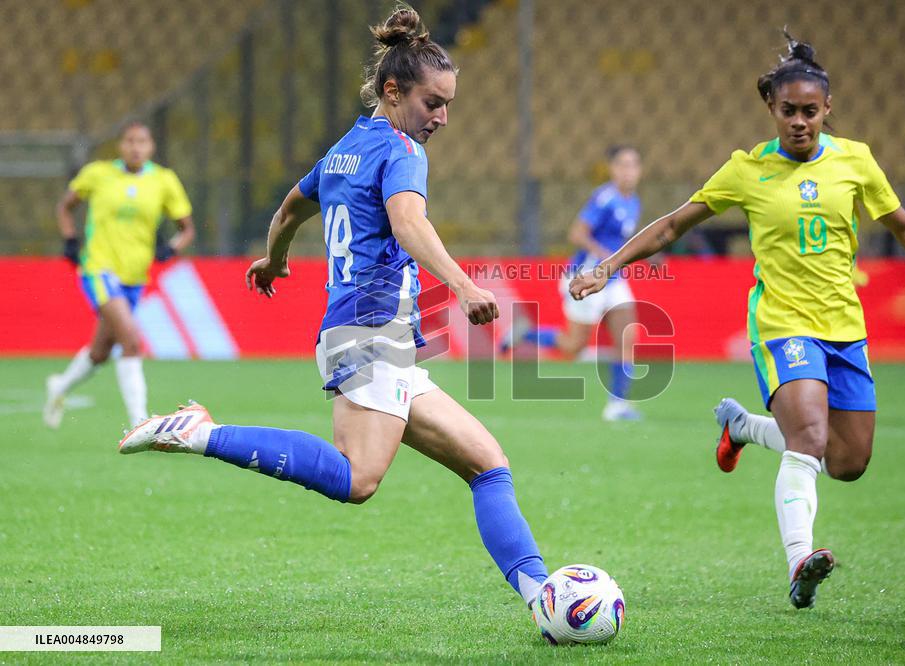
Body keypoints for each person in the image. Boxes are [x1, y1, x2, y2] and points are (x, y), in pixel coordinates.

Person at [117, 7, 549, 613]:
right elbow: (408, 220)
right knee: (357, 478)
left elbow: (289, 210)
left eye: (449, 104)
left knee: (488, 464)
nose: (443, 118)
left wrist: (274, 259)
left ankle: (542, 595)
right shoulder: (402, 151)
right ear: (394, 92)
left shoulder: (345, 148)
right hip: (371, 331)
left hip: (369, 336)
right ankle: (202, 434)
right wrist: (462, 284)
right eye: (433, 103)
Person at [570, 33, 905, 609]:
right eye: (789, 111)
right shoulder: (747, 170)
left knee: (848, 461)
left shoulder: (856, 160)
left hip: (844, 326)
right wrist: (608, 265)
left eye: (810, 111)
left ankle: (743, 428)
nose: (800, 122)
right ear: (772, 108)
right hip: (781, 323)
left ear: (828, 109)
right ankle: (801, 558)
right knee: (811, 438)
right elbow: (673, 225)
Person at [45, 120, 195, 429]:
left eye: (142, 142)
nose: (135, 147)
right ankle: (140, 422)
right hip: (99, 268)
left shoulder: (164, 181)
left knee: (100, 352)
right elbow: (65, 206)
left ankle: (59, 387)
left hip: (134, 277)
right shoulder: (98, 174)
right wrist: (70, 239)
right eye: (129, 141)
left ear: (151, 147)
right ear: (120, 146)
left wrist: (172, 247)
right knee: (132, 341)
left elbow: (186, 228)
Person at [502, 145, 644, 421]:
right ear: (612, 169)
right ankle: (523, 334)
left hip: (613, 279)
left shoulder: (633, 201)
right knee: (573, 346)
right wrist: (608, 257)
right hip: (587, 276)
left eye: (634, 165)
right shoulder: (605, 199)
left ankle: (617, 405)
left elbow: (622, 239)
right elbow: (577, 234)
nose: (628, 171)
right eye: (622, 165)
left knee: (628, 336)